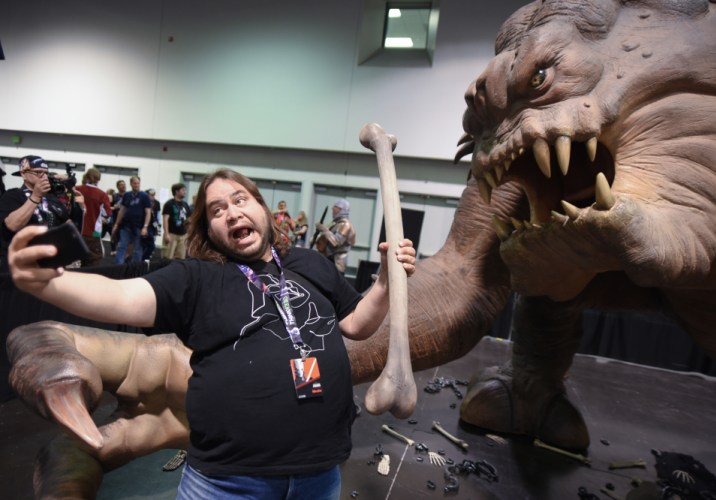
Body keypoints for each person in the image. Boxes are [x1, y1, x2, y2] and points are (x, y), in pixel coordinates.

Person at [8, 168, 416, 500]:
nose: (232, 213)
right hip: (229, 483)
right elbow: (121, 296)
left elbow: (357, 325)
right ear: (209, 229)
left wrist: (384, 281)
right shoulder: (197, 279)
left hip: (320, 475)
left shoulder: (310, 263)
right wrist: (49, 284)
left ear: (262, 208)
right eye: (217, 210)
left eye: (240, 200)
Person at [0, 155, 84, 273]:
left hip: (49, 264)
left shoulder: (52, 198)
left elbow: (70, 227)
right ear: (23, 174)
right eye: (39, 172)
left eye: (46, 173)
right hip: (19, 266)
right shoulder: (13, 195)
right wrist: (36, 196)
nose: (44, 176)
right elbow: (12, 225)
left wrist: (79, 207)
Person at [77, 168, 112, 267]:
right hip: (93, 232)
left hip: (76, 231)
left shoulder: (76, 189)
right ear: (98, 179)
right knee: (94, 260)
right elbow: (107, 213)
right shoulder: (102, 194)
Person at [112, 175, 151, 264]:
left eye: (138, 183)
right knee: (122, 246)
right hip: (126, 225)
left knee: (137, 249)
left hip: (139, 226)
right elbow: (122, 210)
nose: (136, 185)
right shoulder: (127, 195)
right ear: (131, 184)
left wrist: (145, 227)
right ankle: (118, 267)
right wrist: (116, 224)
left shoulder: (144, 196)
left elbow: (148, 212)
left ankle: (134, 269)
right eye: (134, 183)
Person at [315, 198, 356, 274]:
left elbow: (336, 242)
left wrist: (324, 229)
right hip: (330, 257)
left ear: (341, 209)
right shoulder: (336, 223)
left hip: (338, 259)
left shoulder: (346, 225)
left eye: (335, 207)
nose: (332, 209)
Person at [162, 182, 192, 259]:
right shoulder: (169, 204)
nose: (185, 191)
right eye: (183, 190)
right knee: (168, 257)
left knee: (181, 258)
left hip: (183, 235)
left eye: (185, 190)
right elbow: (165, 219)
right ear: (176, 191)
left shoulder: (185, 204)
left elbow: (188, 220)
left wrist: (189, 234)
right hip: (172, 234)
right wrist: (166, 234)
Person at [142, 188, 161, 261]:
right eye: (151, 195)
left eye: (153, 195)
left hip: (154, 224)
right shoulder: (144, 203)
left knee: (152, 243)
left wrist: (159, 225)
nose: (152, 197)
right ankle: (143, 257)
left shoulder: (157, 203)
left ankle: (146, 256)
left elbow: (158, 214)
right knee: (146, 244)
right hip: (146, 225)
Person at [108, 180, 127, 256]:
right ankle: (113, 250)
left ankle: (122, 250)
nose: (124, 186)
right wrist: (114, 207)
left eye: (124, 184)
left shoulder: (127, 195)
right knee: (113, 234)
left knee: (123, 236)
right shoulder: (114, 196)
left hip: (125, 219)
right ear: (118, 186)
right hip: (115, 218)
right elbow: (108, 207)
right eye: (121, 185)